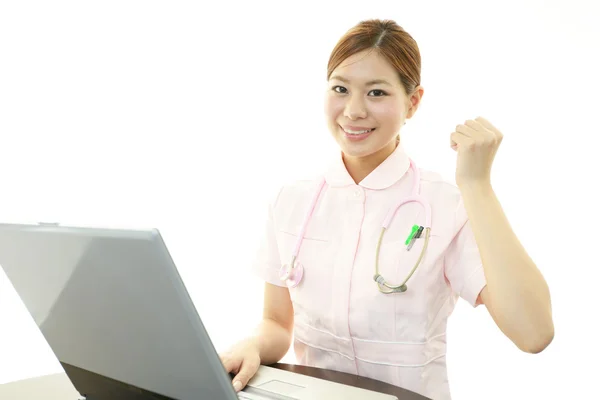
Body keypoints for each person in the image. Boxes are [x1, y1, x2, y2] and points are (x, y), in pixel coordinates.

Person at [219, 19, 554, 400]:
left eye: (376, 92)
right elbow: (278, 324)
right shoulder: (292, 200)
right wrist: (252, 346)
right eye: (340, 89)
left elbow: (534, 332)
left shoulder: (446, 205)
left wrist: (477, 186)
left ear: (413, 102)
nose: (354, 111)